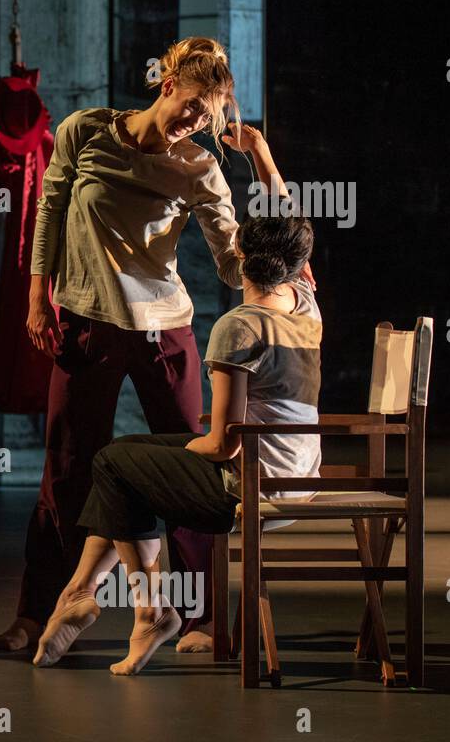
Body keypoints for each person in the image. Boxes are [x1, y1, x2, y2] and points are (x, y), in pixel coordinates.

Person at [0, 37, 314, 656]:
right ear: (167, 86)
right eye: (195, 106)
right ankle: (39, 612)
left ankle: (196, 620)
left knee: (199, 468)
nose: (197, 122)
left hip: (165, 329)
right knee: (65, 469)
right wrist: (38, 299)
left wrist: (273, 217)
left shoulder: (198, 165)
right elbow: (50, 211)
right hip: (86, 321)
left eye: (210, 117)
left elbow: (232, 262)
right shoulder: (84, 131)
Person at [33, 206, 321, 673]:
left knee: (115, 465)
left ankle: (143, 604)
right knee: (124, 461)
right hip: (299, 477)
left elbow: (222, 444)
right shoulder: (306, 308)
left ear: (241, 258)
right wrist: (261, 154)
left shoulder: (238, 327)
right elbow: (292, 231)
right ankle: (85, 593)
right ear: (298, 267)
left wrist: (184, 452)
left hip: (248, 484)